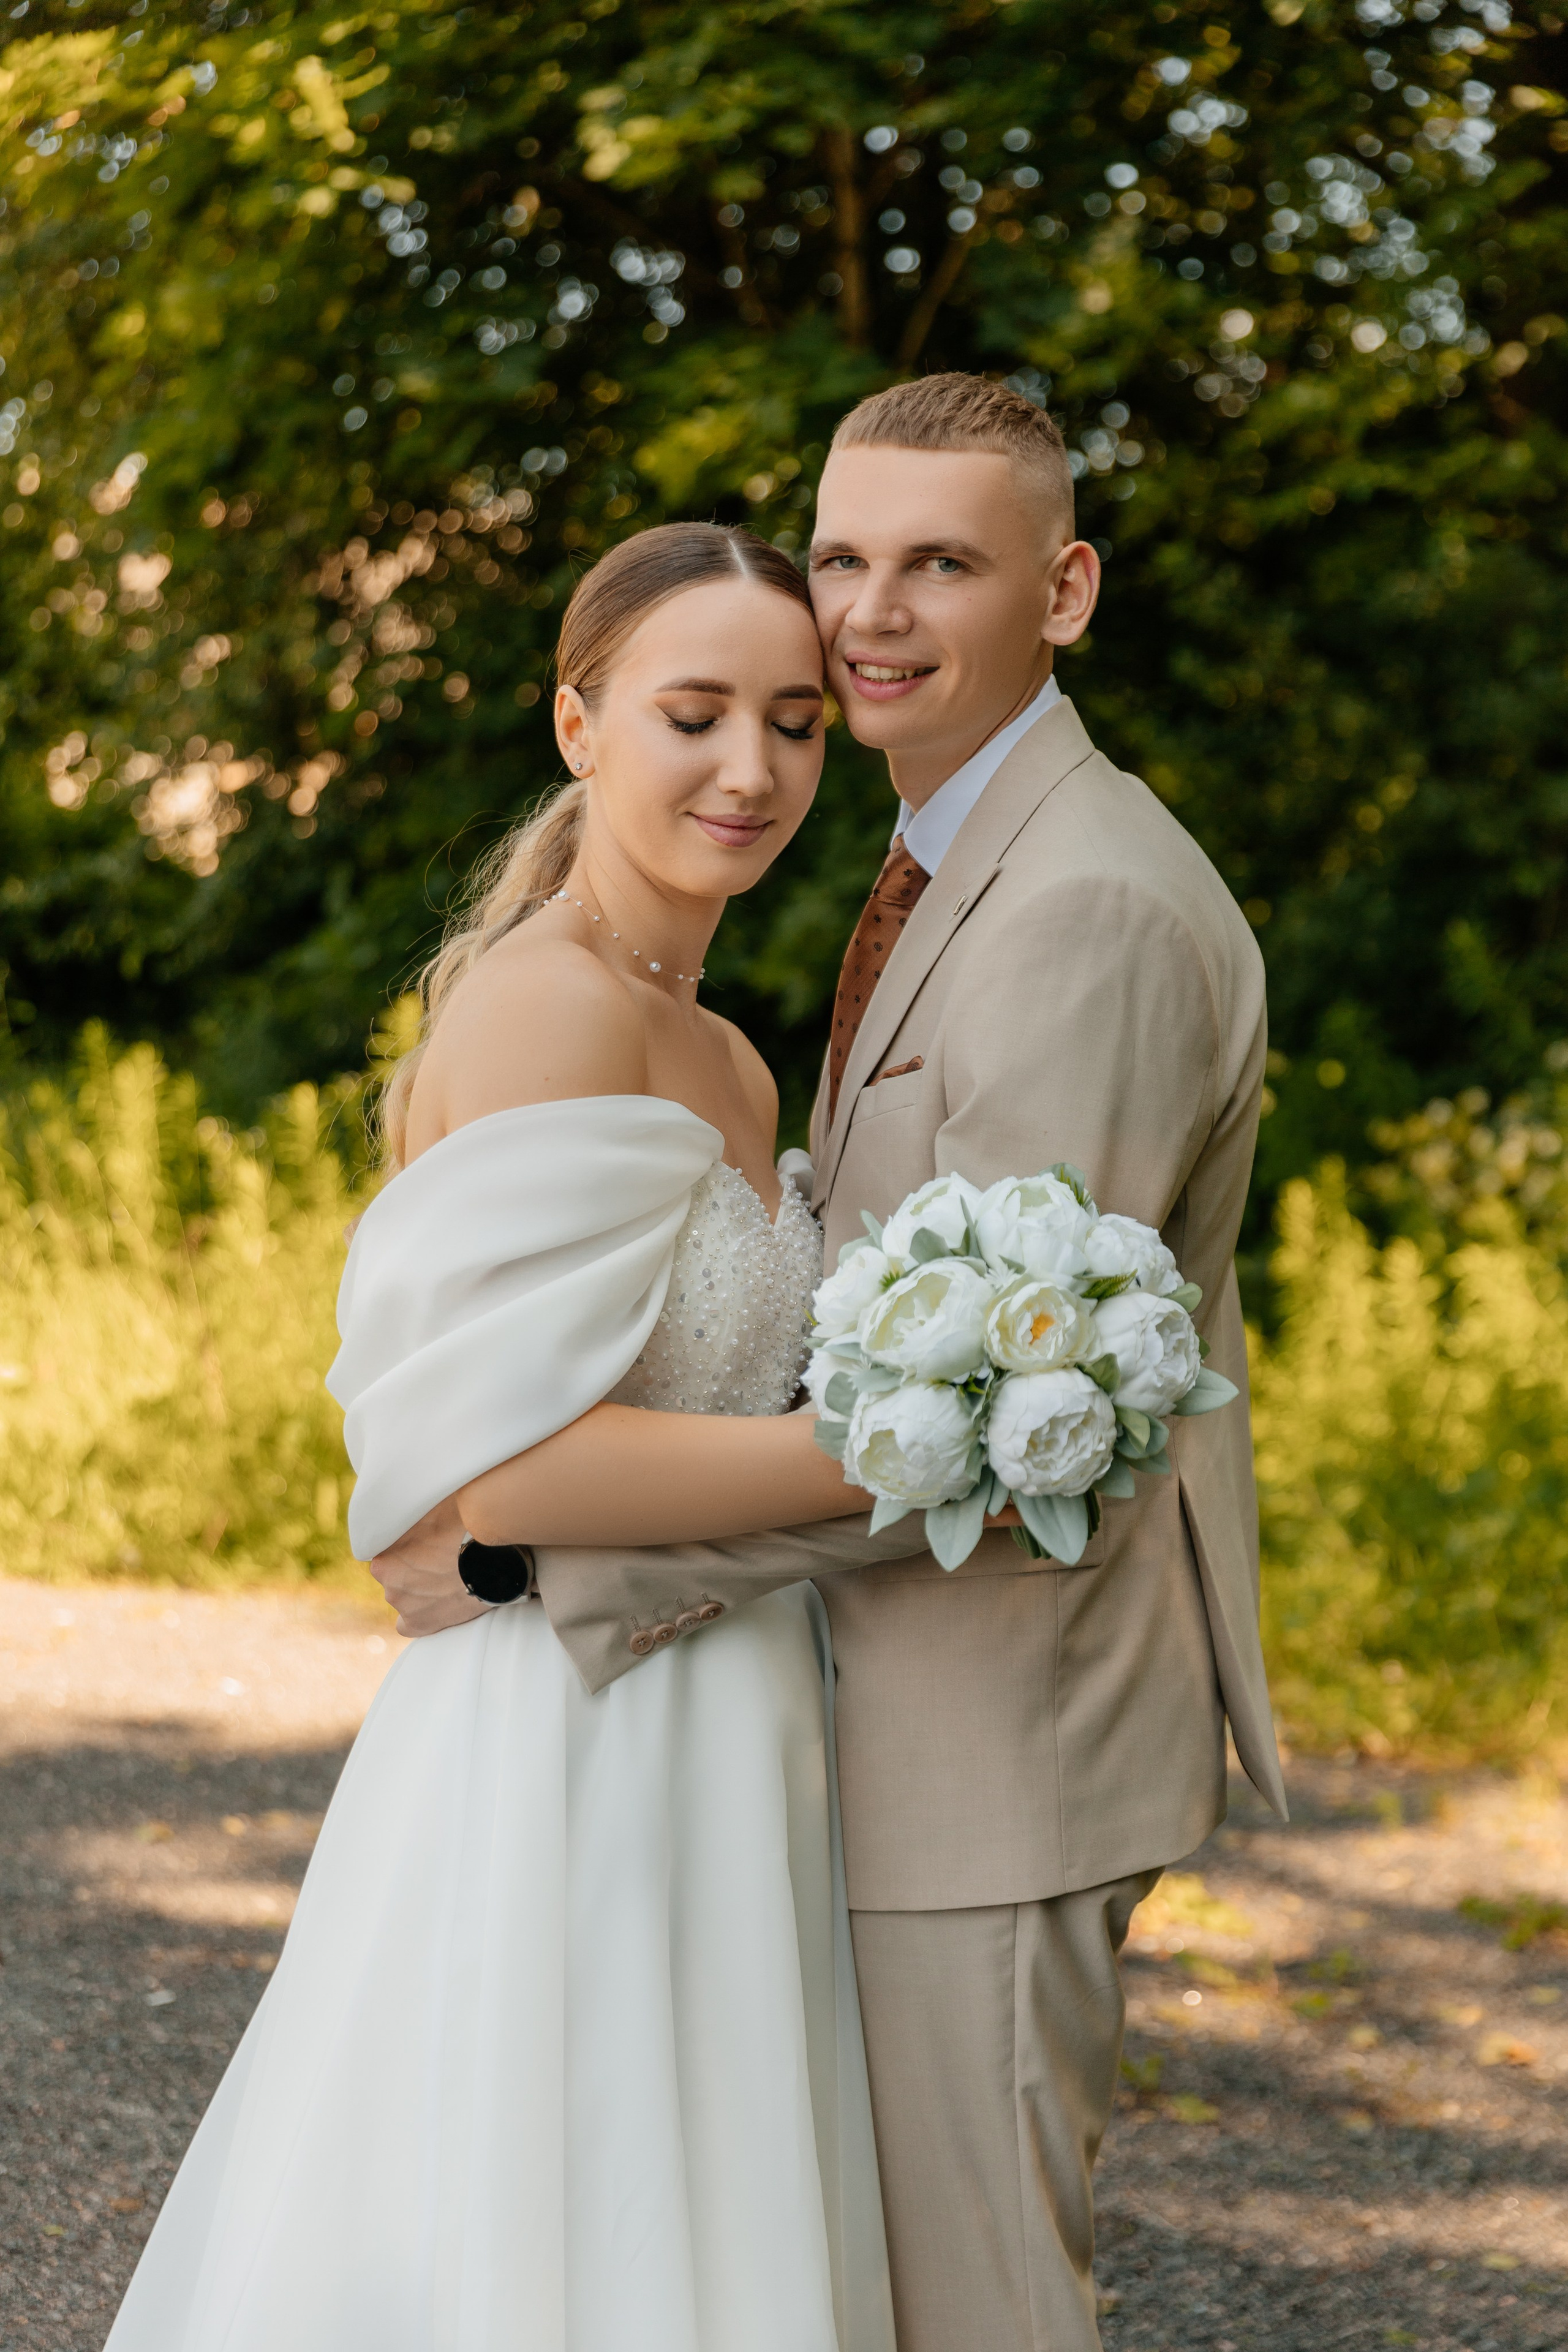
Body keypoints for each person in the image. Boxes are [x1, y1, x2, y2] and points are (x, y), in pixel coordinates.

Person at [381, 374, 1287, 2352]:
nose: (870, 617)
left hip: (988, 1729)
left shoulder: (1083, 907)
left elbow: (997, 1407)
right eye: (849, 559)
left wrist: (547, 1555)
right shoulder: (936, 867)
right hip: (797, 1723)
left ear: (1064, 590)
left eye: (940, 565)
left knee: (964, 2307)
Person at [102, 522, 914, 2352]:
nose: (751, 769)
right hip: (576, 1726)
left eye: (795, 722)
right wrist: (883, 1462)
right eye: (692, 713)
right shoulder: (550, 1006)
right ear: (577, 720)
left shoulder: (720, 1051)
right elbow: (517, 1476)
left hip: (735, 1706)